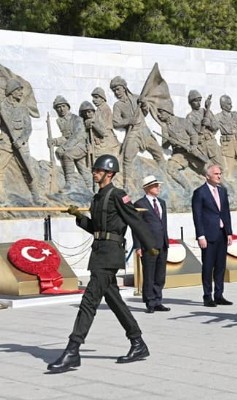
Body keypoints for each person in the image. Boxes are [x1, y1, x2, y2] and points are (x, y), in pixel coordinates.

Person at [47, 155, 158, 373]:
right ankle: (138, 343)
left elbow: (134, 219)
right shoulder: (97, 198)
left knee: (89, 301)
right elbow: (96, 229)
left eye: (98, 170)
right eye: (95, 169)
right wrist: (79, 216)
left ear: (109, 173)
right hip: (98, 253)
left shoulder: (118, 195)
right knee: (115, 301)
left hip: (110, 256)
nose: (94, 172)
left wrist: (150, 245)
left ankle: (73, 349)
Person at [110, 76, 165, 191]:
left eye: (118, 89)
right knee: (127, 157)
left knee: (159, 153)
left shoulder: (137, 99)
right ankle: (126, 184)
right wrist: (128, 121)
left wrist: (144, 104)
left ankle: (166, 177)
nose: (116, 92)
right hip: (133, 133)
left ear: (124, 88)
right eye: (114, 90)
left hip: (144, 131)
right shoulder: (118, 105)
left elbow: (145, 112)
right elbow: (115, 122)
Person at [192, 164, 234, 307]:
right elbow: (197, 216)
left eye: (220, 173)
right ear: (208, 176)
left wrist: (229, 232)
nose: (219, 176)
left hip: (222, 234)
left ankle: (219, 294)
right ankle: (207, 296)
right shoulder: (200, 192)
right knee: (208, 266)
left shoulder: (222, 191)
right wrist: (200, 235)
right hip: (208, 235)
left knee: (221, 266)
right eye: (216, 174)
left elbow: (226, 213)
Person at [133, 175, 170, 313]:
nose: (158, 188)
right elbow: (136, 226)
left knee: (160, 274)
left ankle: (158, 300)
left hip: (162, 243)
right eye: (155, 185)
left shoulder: (162, 202)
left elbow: (163, 223)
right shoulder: (140, 204)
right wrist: (138, 246)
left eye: (158, 185)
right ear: (147, 188)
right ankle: (150, 302)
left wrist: (166, 241)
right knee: (149, 274)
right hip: (148, 245)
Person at [0, 78, 41, 199]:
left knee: (28, 170)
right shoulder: (2, 108)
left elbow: (28, 128)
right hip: (6, 143)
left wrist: (21, 140)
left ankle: (36, 196)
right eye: (18, 90)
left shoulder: (23, 109)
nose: (21, 93)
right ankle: (1, 195)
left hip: (21, 145)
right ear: (11, 91)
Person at [49, 96, 92, 191]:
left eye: (63, 106)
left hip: (81, 146)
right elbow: (66, 137)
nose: (61, 109)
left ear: (68, 107)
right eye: (58, 107)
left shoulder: (76, 119)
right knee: (83, 169)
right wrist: (55, 141)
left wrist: (64, 147)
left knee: (67, 155)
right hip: (73, 147)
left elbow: (78, 135)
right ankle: (91, 189)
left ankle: (70, 184)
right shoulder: (60, 121)